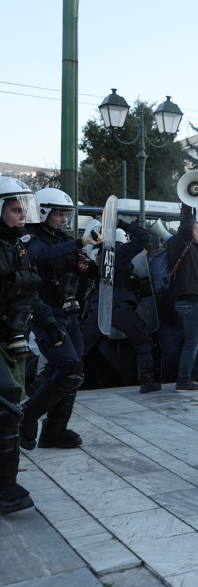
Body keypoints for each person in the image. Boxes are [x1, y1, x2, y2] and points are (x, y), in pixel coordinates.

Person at [0, 179, 65, 514]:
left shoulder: (16, 247)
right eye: (15, 209)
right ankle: (6, 488)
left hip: (11, 338)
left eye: (24, 208)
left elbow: (28, 293)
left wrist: (50, 323)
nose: (22, 215)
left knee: (9, 407)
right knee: (7, 405)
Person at [19, 188, 101, 449]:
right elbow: (40, 255)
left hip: (70, 312)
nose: (64, 219)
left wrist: (98, 263)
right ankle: (26, 415)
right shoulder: (29, 237)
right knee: (68, 367)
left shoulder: (62, 238)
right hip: (45, 312)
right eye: (60, 214)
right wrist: (80, 243)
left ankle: (54, 431)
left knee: (73, 372)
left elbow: (77, 271)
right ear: (43, 212)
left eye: (66, 214)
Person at [80, 220, 161, 394]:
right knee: (142, 340)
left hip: (98, 305)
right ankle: (147, 380)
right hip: (119, 305)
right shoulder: (120, 252)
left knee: (82, 348)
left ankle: (57, 379)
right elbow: (144, 237)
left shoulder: (98, 256)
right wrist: (123, 223)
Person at [166, 206, 198, 391]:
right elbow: (185, 228)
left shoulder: (193, 248)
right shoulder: (180, 242)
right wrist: (187, 209)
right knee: (193, 343)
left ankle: (196, 372)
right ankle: (184, 380)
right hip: (192, 301)